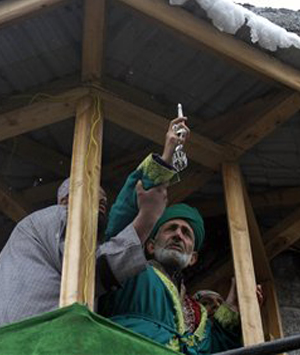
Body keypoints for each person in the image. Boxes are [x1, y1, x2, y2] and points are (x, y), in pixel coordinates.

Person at [98, 119, 258, 354]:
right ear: (150, 245)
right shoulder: (130, 271)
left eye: (186, 233)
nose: (178, 235)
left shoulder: (197, 311)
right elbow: (124, 215)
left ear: (192, 258)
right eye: (170, 228)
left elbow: (214, 348)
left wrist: (233, 306)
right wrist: (167, 155)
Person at [0, 156, 173, 336]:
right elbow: (88, 273)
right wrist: (148, 216)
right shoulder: (58, 216)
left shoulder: (28, 232)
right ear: (67, 199)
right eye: (95, 198)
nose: (102, 205)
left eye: (104, 203)